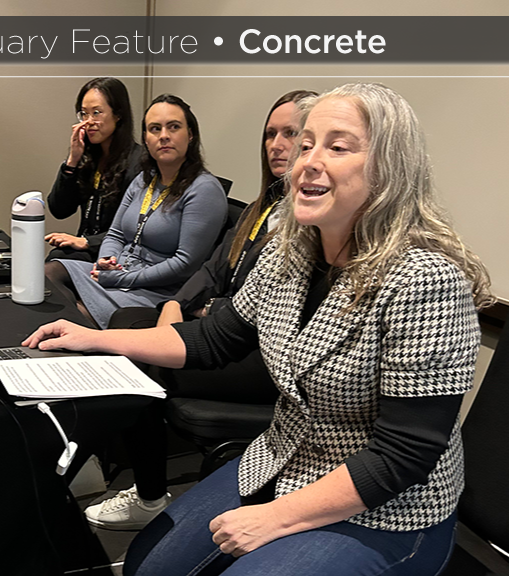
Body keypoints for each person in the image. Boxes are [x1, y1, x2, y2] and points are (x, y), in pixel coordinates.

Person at [23, 83, 494, 575]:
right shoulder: (288, 253)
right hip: (284, 460)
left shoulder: (427, 279)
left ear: (391, 168)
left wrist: (275, 517)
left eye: (337, 146)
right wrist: (94, 339)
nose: (307, 160)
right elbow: (212, 339)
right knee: (148, 565)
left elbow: (405, 454)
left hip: (388, 509)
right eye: (306, 143)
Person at [88, 90, 317, 532]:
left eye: (292, 133)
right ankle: (109, 459)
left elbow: (270, 307)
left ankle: (150, 494)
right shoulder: (262, 206)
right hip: (223, 328)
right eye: (271, 133)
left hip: (265, 356)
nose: (277, 144)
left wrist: (203, 312)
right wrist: (174, 304)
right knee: (126, 322)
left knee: (140, 356)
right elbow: (212, 269)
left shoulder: (310, 218)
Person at [45, 94, 228, 329]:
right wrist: (106, 260)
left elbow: (185, 264)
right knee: (49, 273)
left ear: (190, 135)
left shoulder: (204, 189)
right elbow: (116, 234)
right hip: (122, 270)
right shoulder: (144, 179)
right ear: (146, 138)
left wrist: (123, 278)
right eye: (155, 129)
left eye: (174, 127)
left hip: (158, 289)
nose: (164, 136)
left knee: (76, 314)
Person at [45, 77, 143, 262]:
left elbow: (135, 228)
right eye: (84, 114)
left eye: (97, 113)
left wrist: (87, 241)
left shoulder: (139, 162)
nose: (88, 121)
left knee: (56, 263)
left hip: (118, 254)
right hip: (85, 248)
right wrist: (73, 160)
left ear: (118, 115)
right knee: (56, 259)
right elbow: (59, 210)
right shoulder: (89, 159)